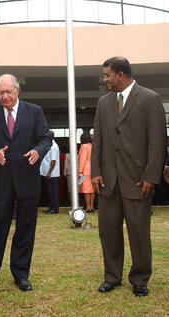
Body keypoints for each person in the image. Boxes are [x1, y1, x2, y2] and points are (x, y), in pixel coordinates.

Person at [91, 57, 166, 297]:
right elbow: (98, 140)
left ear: (121, 74)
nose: (105, 80)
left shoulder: (150, 99)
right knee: (108, 231)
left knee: (139, 232)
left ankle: (140, 278)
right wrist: (95, 172)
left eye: (107, 75)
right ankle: (112, 276)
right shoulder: (103, 103)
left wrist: (151, 177)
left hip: (138, 180)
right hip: (108, 181)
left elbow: (157, 142)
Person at [0, 74, 51, 292]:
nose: (4, 96)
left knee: (25, 228)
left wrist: (38, 151)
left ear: (17, 91)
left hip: (27, 179)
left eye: (8, 91)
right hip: (0, 181)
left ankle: (21, 274)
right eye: (0, 93)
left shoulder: (34, 112)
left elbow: (46, 138)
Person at [40, 131, 60, 214]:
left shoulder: (54, 147)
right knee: (49, 192)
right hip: (47, 172)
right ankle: (51, 207)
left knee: (53, 192)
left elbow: (53, 161)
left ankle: (54, 209)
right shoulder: (49, 145)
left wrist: (49, 172)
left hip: (52, 174)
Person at [78, 133, 95, 212]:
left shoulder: (84, 147)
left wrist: (80, 171)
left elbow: (82, 160)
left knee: (86, 190)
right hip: (93, 169)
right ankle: (92, 206)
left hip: (85, 170)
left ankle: (88, 207)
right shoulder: (93, 146)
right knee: (92, 190)